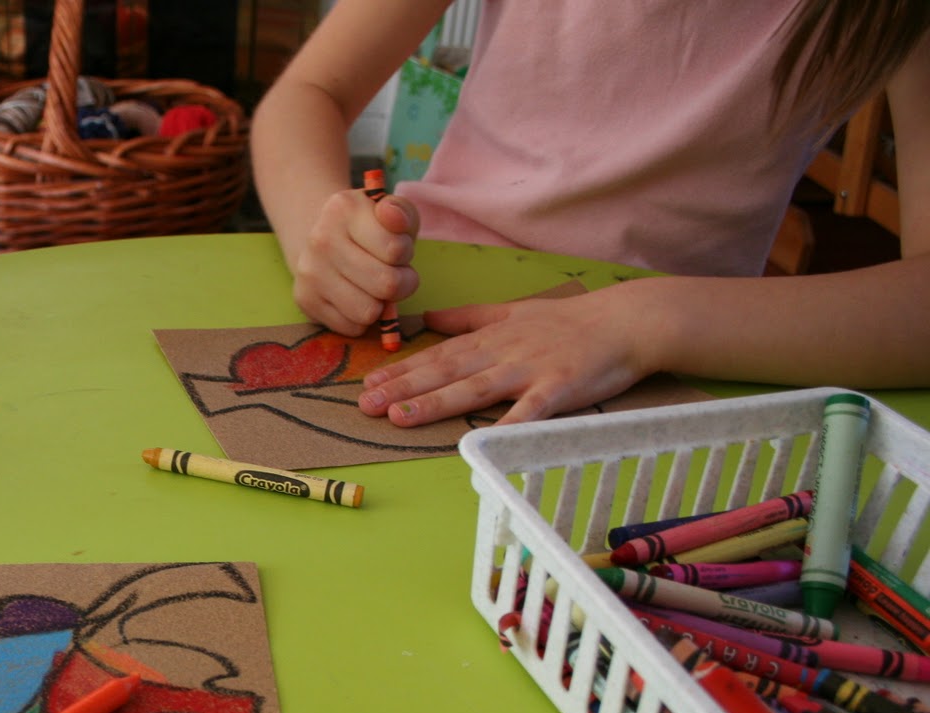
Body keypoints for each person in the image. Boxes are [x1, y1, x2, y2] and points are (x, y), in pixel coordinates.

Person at [251, 0, 930, 429]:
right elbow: (309, 93)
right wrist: (322, 225)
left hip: (679, 367)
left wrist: (646, 319)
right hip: (423, 301)